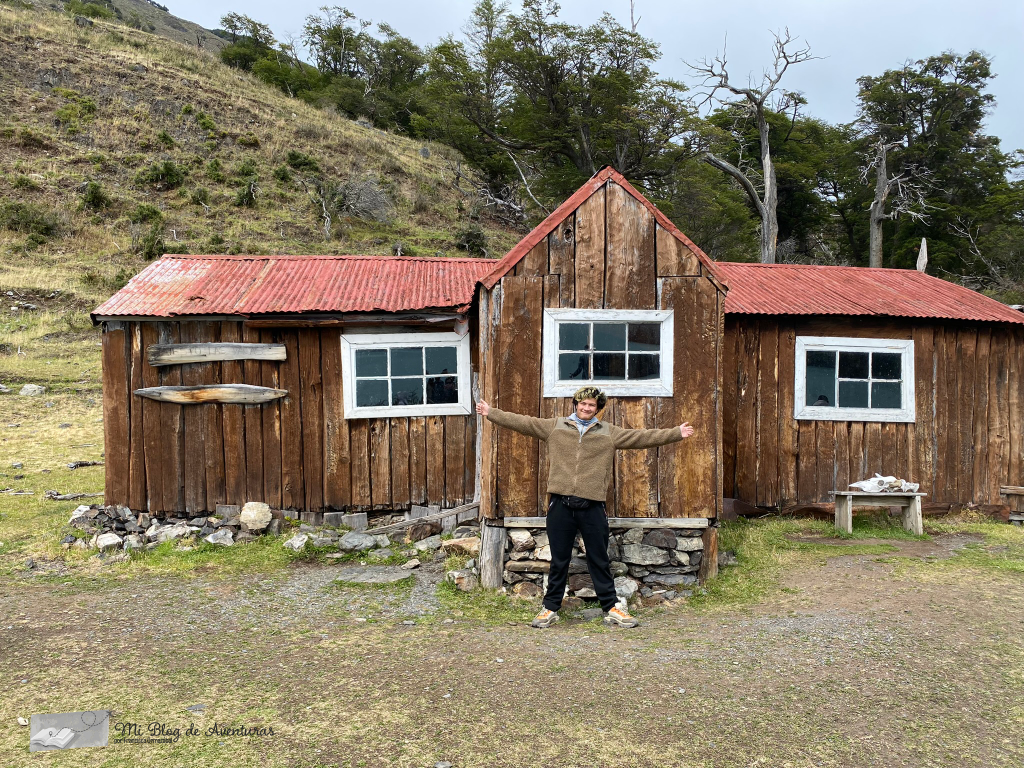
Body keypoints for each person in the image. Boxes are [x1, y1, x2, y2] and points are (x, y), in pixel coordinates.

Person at [476, 386, 694, 629]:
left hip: (592, 507)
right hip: (560, 506)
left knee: (599, 558)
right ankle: (549, 608)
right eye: (582, 403)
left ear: (597, 409)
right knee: (559, 560)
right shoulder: (555, 427)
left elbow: (642, 437)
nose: (586, 407)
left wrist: (676, 433)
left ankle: (611, 608)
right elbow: (522, 422)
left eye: (591, 405)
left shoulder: (609, 432)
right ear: (575, 404)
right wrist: (490, 412)